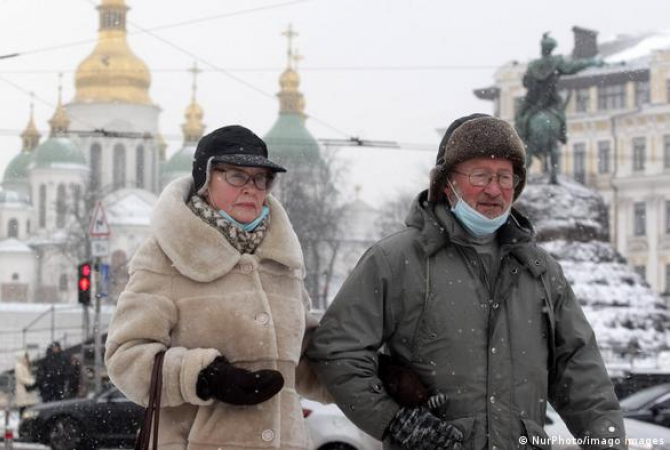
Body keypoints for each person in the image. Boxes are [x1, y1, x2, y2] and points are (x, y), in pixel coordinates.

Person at [307, 114, 626, 450]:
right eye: (480, 175)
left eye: (505, 177)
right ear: (447, 183)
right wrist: (394, 420)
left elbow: (583, 376)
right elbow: (337, 349)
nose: (494, 189)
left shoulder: (540, 271)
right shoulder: (397, 260)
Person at [105, 125, 330, 449]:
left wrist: (368, 369)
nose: (252, 188)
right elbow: (126, 357)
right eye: (237, 176)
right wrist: (204, 376)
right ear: (206, 179)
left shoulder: (280, 259)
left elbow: (305, 358)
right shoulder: (167, 254)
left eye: (261, 178)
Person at [514, 32, 602, 146]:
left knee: (519, 117)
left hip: (532, 100)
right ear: (552, 49)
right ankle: (562, 134)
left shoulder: (533, 65)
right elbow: (572, 67)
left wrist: (535, 83)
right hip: (550, 98)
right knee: (561, 115)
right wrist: (592, 62)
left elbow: (525, 82)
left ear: (542, 49)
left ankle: (522, 138)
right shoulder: (556, 61)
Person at [14, 351, 39, 416]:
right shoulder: (19, 366)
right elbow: (21, 378)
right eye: (26, 357)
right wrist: (32, 381)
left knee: (28, 409)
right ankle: (24, 423)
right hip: (23, 390)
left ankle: (27, 423)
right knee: (24, 409)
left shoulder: (25, 366)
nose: (27, 358)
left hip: (27, 390)